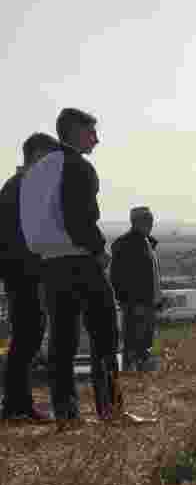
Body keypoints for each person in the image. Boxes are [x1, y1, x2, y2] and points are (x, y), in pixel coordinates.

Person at [20, 108, 122, 426]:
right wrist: (99, 251)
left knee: (62, 341)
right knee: (106, 333)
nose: (96, 139)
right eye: (91, 132)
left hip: (49, 264)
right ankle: (111, 410)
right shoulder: (76, 166)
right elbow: (80, 220)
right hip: (79, 260)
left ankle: (67, 414)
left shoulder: (35, 170)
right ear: (75, 131)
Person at [0, 132, 61, 421]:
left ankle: (17, 403)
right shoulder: (22, 187)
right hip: (23, 273)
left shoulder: (18, 186)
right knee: (27, 337)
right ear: (37, 155)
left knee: (27, 336)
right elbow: (21, 237)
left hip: (22, 272)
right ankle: (17, 405)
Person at [110, 206, 164, 372]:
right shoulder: (124, 244)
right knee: (134, 345)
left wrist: (157, 299)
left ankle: (141, 377)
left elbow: (153, 277)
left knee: (145, 344)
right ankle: (132, 379)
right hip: (135, 304)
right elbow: (116, 276)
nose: (151, 223)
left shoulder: (148, 243)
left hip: (148, 303)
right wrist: (127, 301)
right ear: (138, 222)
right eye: (148, 220)